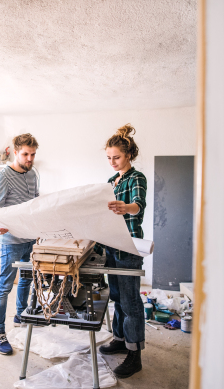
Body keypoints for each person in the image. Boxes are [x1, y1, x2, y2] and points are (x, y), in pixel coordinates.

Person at [95, 124, 147, 379]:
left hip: (128, 247)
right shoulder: (109, 181)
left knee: (131, 301)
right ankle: (119, 338)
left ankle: (135, 355)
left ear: (128, 155)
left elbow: (138, 206)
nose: (112, 162)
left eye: (116, 157)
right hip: (111, 246)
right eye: (108, 158)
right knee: (116, 296)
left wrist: (125, 207)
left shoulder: (137, 178)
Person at [0, 133, 40, 355]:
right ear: (15, 152)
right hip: (11, 241)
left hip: (30, 238)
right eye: (25, 154)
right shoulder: (4, 176)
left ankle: (21, 315)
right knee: (5, 286)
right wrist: (0, 225)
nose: (30, 159)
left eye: (33, 154)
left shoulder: (33, 174)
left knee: (27, 280)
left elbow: (35, 203)